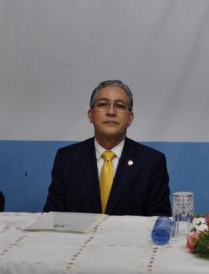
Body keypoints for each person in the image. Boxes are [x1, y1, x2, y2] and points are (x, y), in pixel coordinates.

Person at [43, 79, 171, 216]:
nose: (111, 112)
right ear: (91, 115)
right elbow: (52, 217)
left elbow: (161, 220)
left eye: (120, 106)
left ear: (130, 118)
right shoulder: (67, 159)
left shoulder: (152, 162)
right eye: (103, 104)